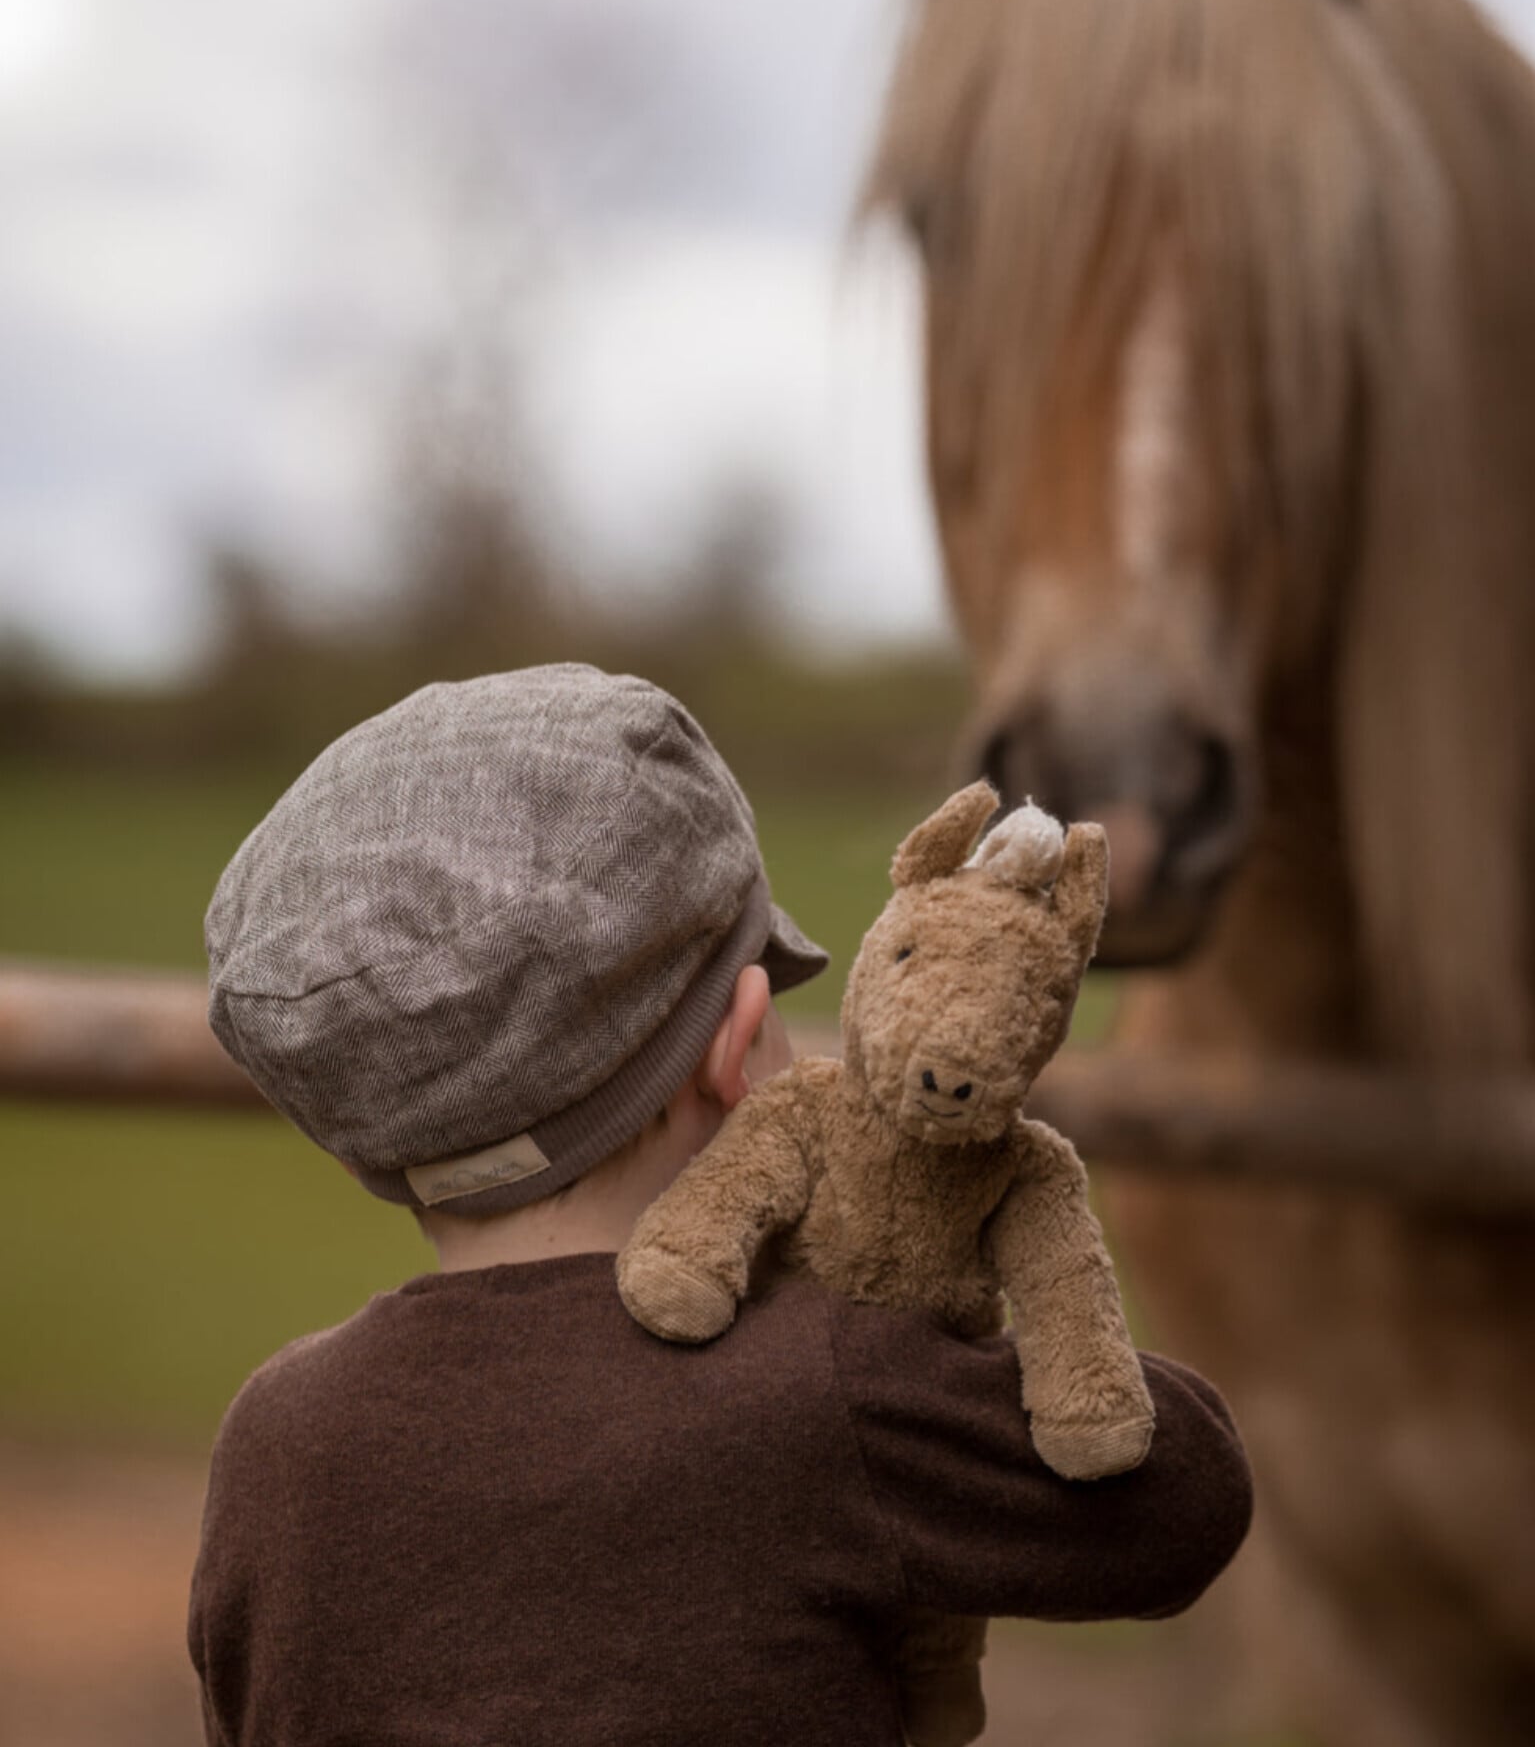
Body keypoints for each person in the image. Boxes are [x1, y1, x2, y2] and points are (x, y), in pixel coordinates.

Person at [188, 664, 1252, 1747]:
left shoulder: (273, 1443)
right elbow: (1191, 1495)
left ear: (359, 1141)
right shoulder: (840, 1394)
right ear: (739, 1048)